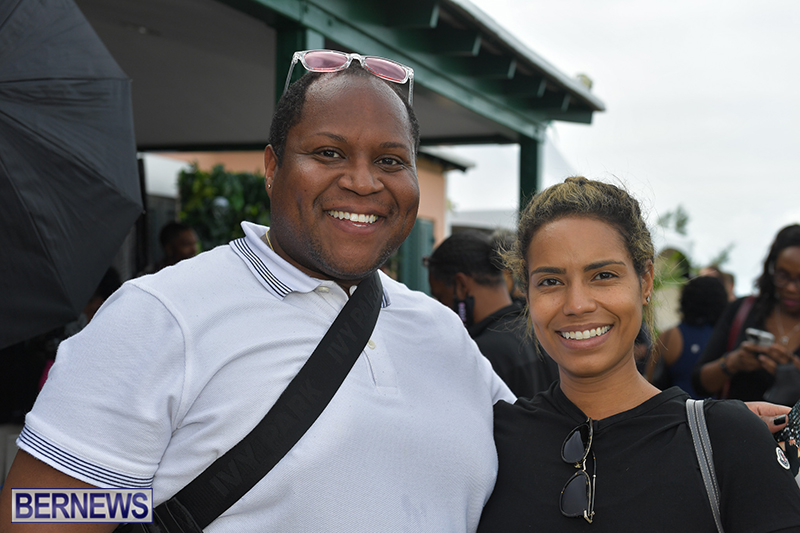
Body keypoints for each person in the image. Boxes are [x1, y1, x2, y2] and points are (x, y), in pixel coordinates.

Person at [0, 51, 513, 532]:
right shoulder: (161, 316)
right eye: (328, 152)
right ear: (272, 168)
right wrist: (144, 494)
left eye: (390, 160)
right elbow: (38, 510)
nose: (362, 182)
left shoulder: (444, 332)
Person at [477, 177, 800, 532]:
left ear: (645, 281)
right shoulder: (489, 440)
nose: (577, 305)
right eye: (551, 281)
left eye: (603, 275)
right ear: (527, 292)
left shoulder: (727, 440)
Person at [426, 230, 558, 397]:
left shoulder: (477, 355)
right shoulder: (541, 332)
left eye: (440, 297)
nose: (440, 306)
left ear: (460, 286)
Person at [693, 224, 800, 403]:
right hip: (736, 430)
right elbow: (700, 384)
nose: (790, 287)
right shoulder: (742, 310)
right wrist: (733, 363)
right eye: (783, 276)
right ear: (771, 269)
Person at [646, 275, 729, 398]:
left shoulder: (670, 336)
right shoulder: (725, 338)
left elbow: (649, 378)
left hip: (673, 413)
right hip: (715, 414)